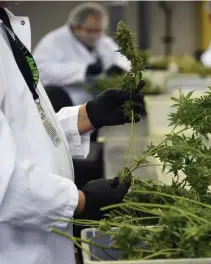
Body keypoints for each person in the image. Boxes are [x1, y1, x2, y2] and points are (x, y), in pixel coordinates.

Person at [0, 4, 144, 263]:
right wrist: (79, 201)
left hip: (40, 237)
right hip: (16, 247)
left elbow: (23, 130)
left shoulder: (6, 28)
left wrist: (87, 116)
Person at [33, 2, 130, 88]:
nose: (95, 36)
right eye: (90, 31)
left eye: (99, 30)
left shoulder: (102, 40)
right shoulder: (54, 41)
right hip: (66, 97)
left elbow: (122, 58)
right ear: (76, 27)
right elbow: (41, 71)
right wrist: (84, 70)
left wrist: (119, 67)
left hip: (95, 98)